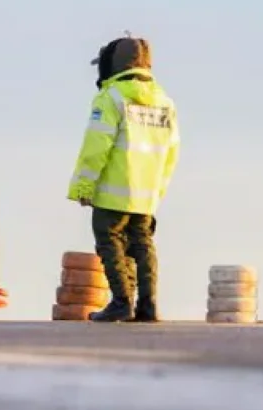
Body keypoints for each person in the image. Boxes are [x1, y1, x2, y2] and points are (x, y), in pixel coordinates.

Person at [67, 35, 180, 323]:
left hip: (112, 191)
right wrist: (158, 192)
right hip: (146, 193)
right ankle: (149, 305)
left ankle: (121, 302)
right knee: (142, 243)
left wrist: (83, 186)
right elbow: (171, 153)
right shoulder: (165, 102)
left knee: (109, 239)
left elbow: (96, 146)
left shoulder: (111, 97)